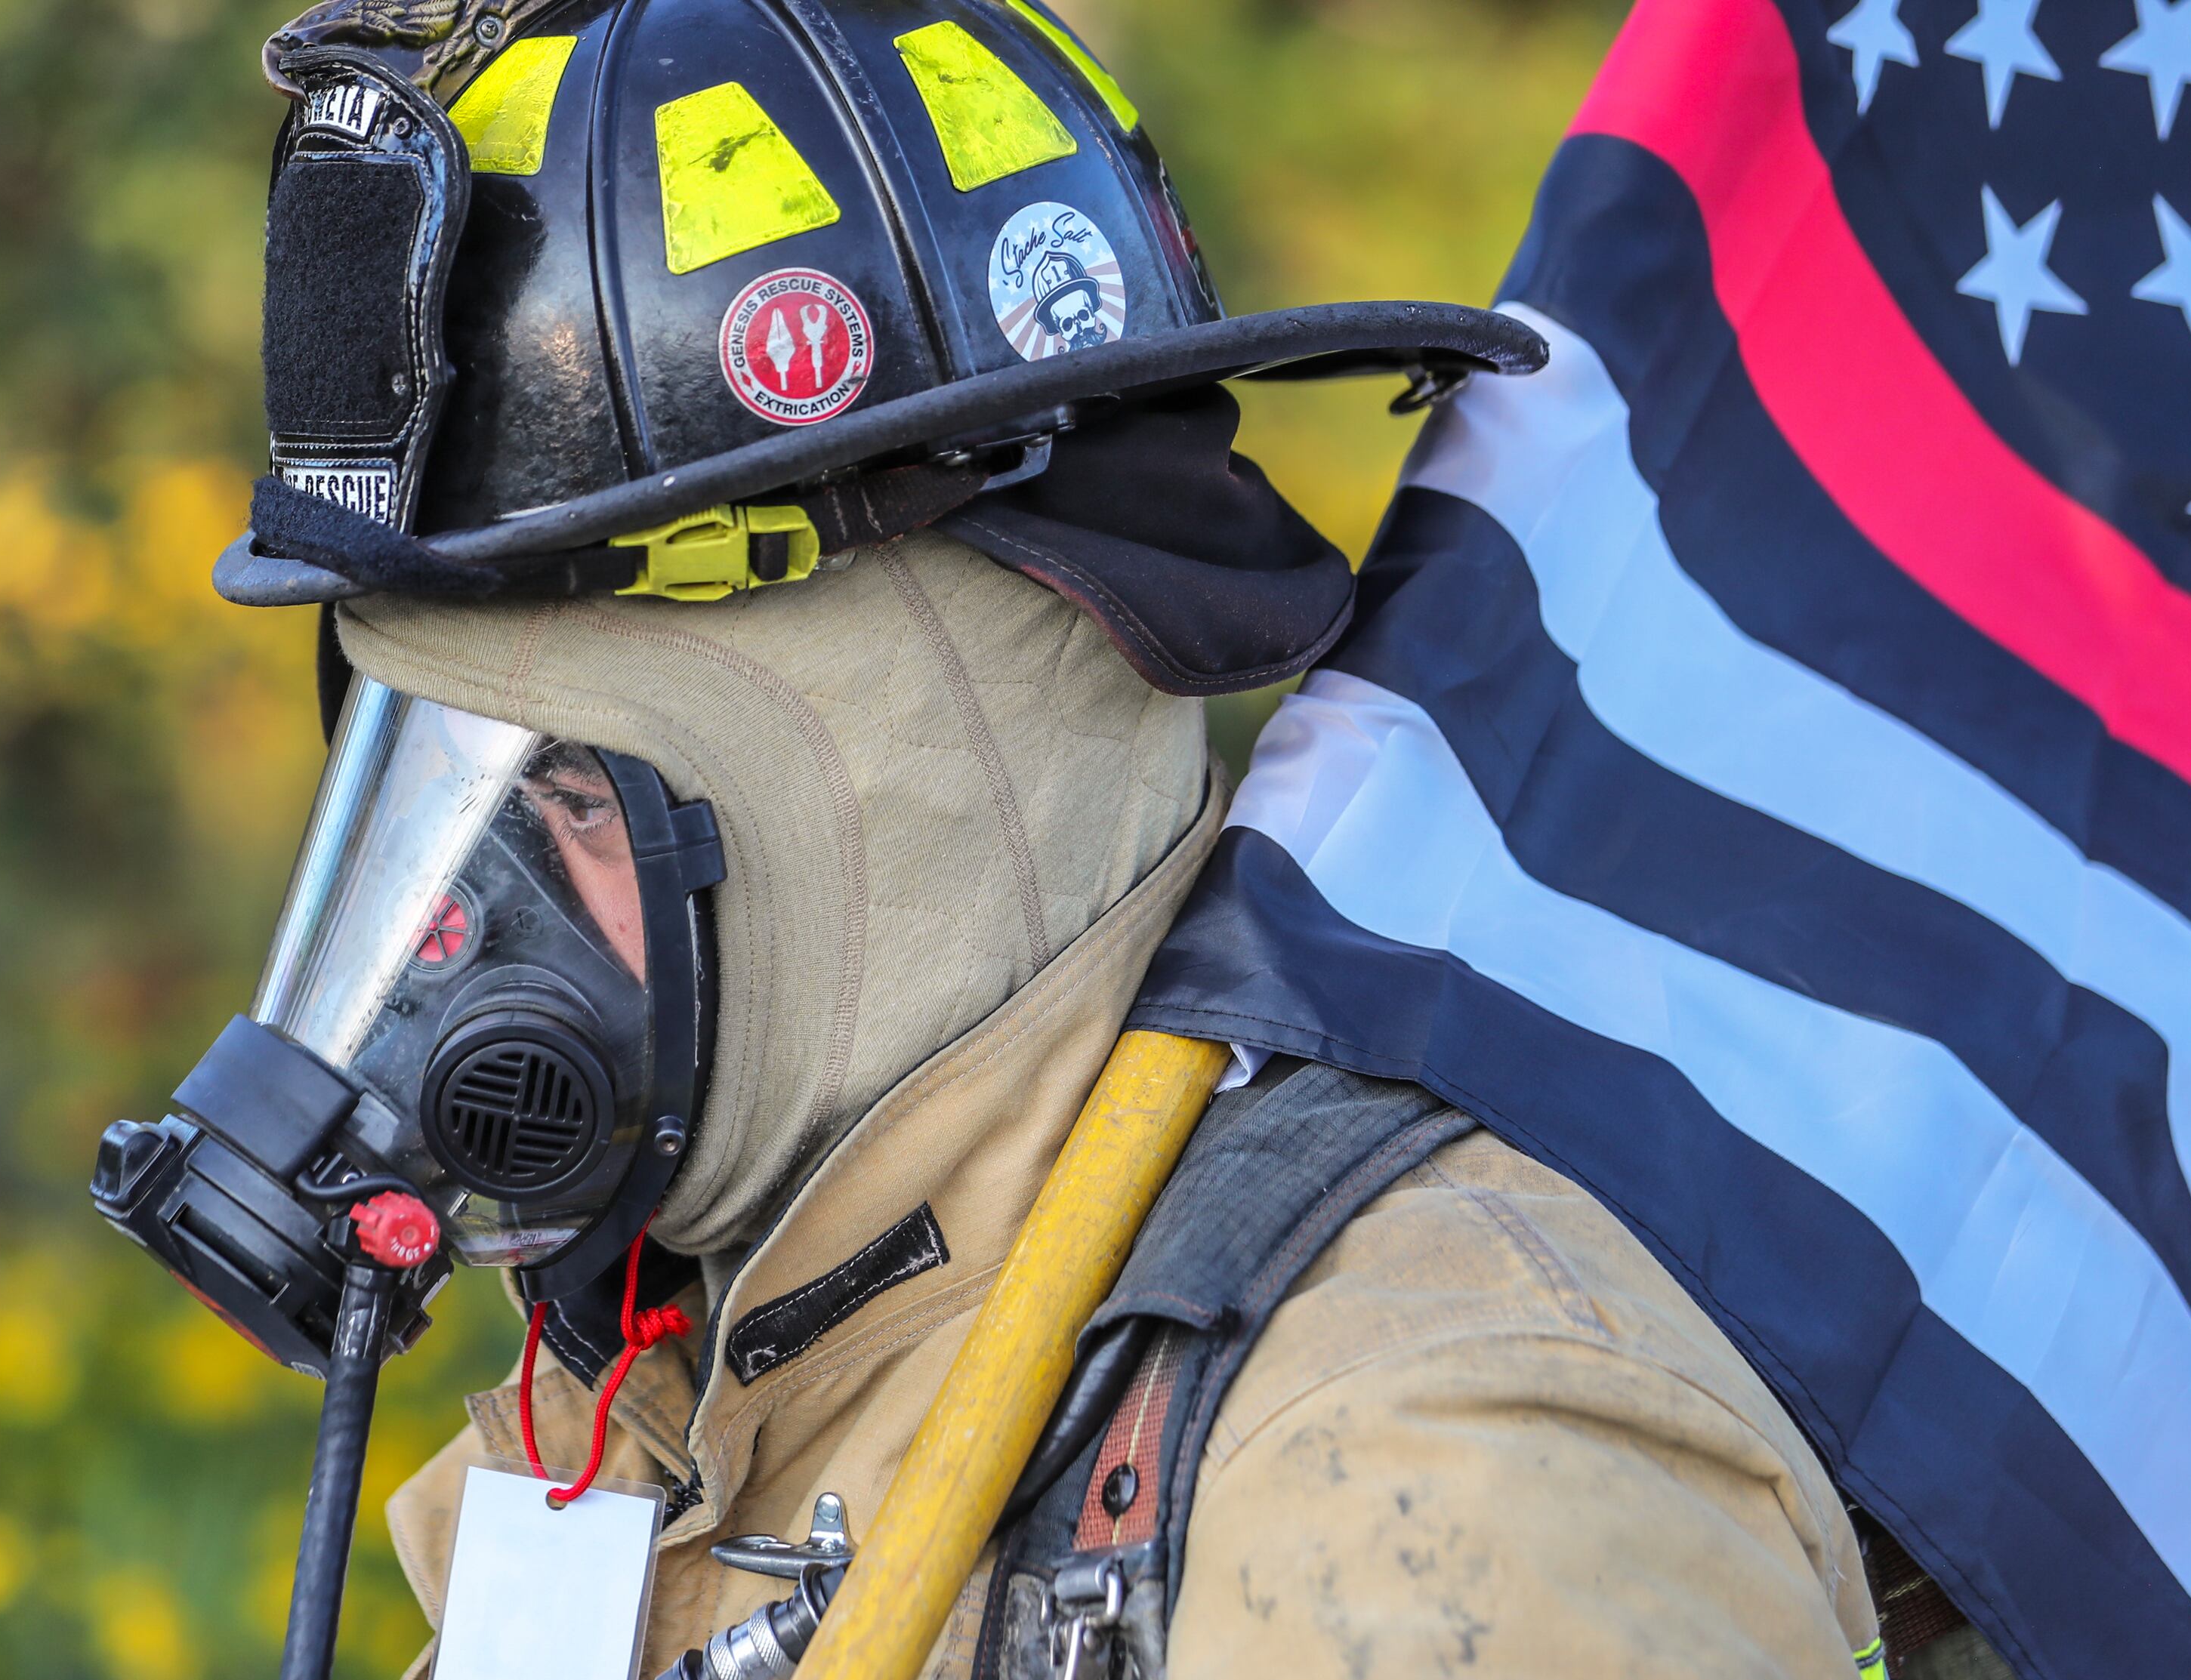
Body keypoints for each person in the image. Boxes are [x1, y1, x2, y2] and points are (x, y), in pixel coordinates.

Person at [116, 0, 1932, 1672]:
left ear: (894, 777)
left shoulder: (1432, 1469)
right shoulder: (671, 1395)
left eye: (565, 800)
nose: (445, 940)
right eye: (421, 796)